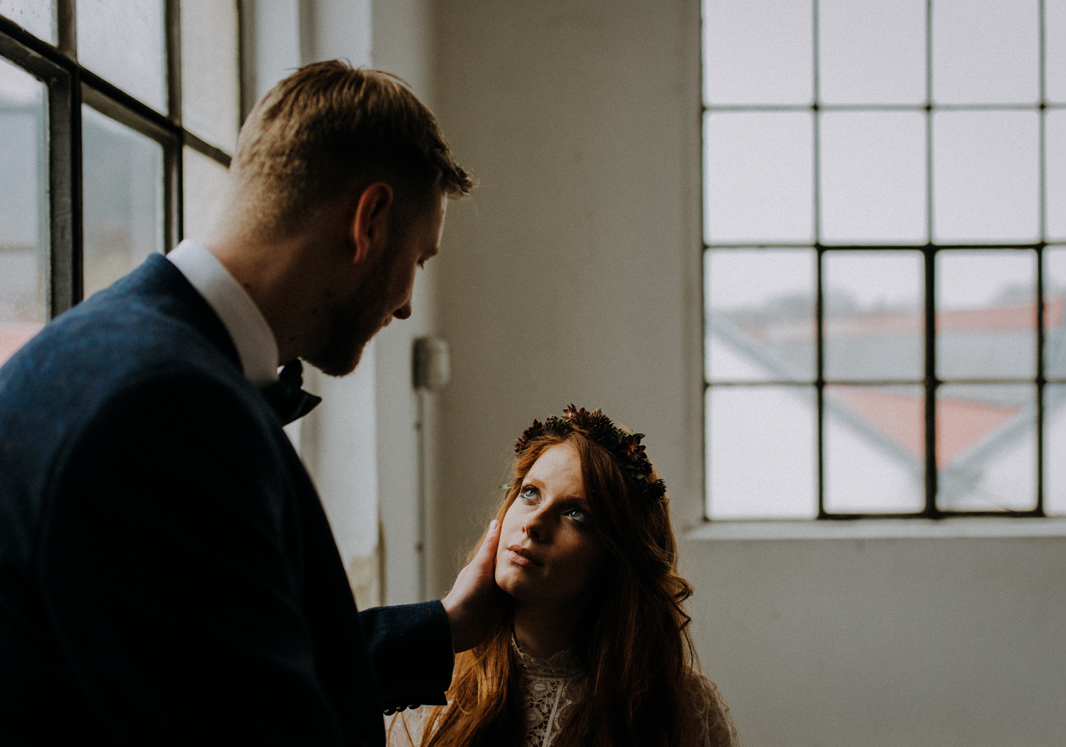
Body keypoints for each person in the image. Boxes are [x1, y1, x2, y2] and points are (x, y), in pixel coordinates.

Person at [0, 61, 507, 744]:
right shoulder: (165, 410)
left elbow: (204, 662)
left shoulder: (120, 350)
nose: (407, 305)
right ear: (370, 220)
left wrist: (445, 626)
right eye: (417, 261)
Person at [386, 406, 740, 747]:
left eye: (575, 514)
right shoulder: (427, 685)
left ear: (615, 557)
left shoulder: (682, 706)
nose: (533, 523)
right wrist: (448, 622)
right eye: (530, 493)